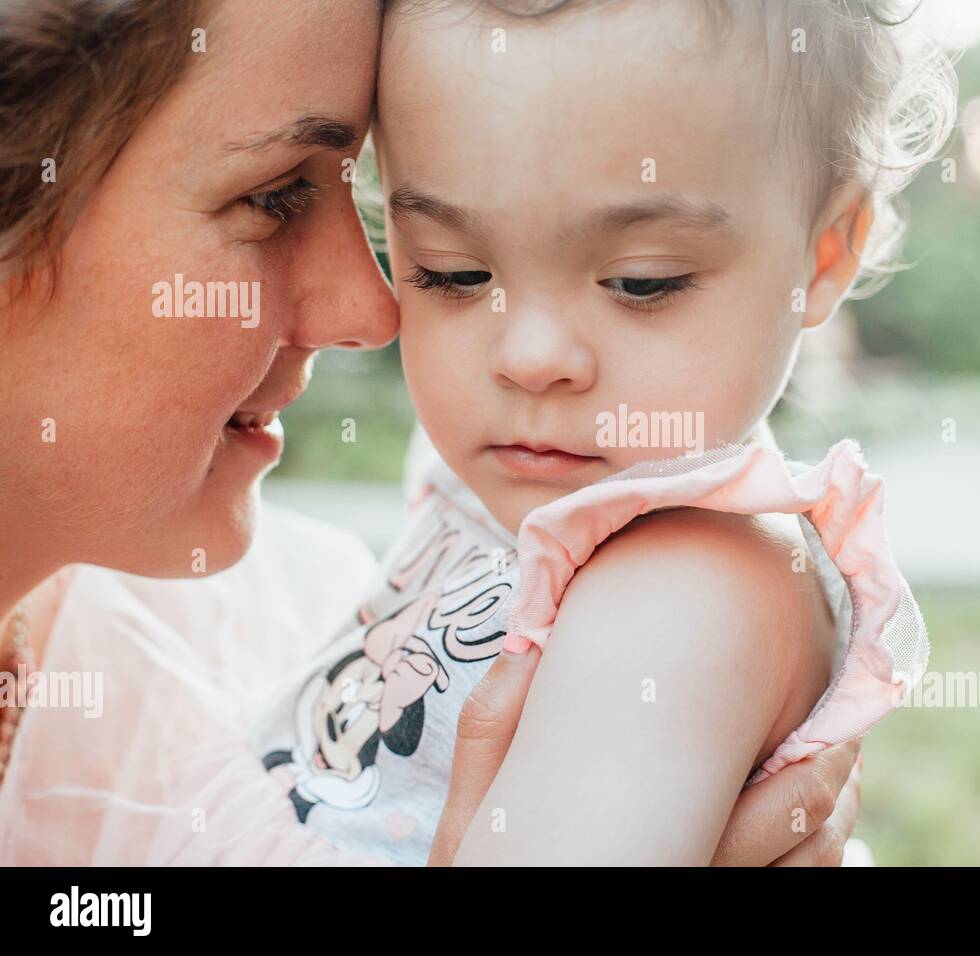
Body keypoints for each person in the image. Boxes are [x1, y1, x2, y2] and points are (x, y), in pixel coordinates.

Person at [0, 0, 865, 866]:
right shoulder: (470, 526)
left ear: (824, 257)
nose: (528, 357)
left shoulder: (688, 592)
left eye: (642, 283)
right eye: (450, 270)